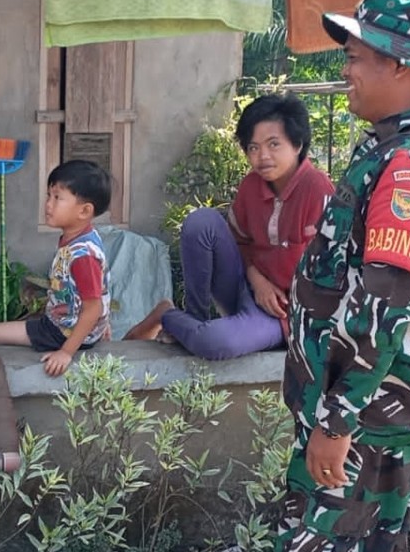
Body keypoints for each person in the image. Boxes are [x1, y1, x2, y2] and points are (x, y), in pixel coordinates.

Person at [246, 0, 410, 552]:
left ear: (399, 65)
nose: (345, 69)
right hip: (375, 410)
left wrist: (336, 420)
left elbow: (385, 304)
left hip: (365, 418)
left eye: (356, 56)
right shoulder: (392, 148)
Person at [123, 93, 333, 360]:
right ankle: (194, 317)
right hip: (247, 287)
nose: (263, 156)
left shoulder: (317, 189)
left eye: (273, 144)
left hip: (282, 313)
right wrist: (258, 282)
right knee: (202, 221)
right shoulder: (251, 186)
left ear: (297, 144)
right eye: (253, 147)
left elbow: (329, 270)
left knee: (216, 343)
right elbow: (240, 243)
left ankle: (168, 316)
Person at [0, 160, 111, 377]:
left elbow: (94, 306)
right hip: (68, 324)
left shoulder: (82, 256)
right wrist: (101, 326)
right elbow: (102, 289)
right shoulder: (81, 237)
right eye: (48, 196)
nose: (48, 204)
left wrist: (65, 352)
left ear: (84, 211)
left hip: (61, 332)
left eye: (57, 198)